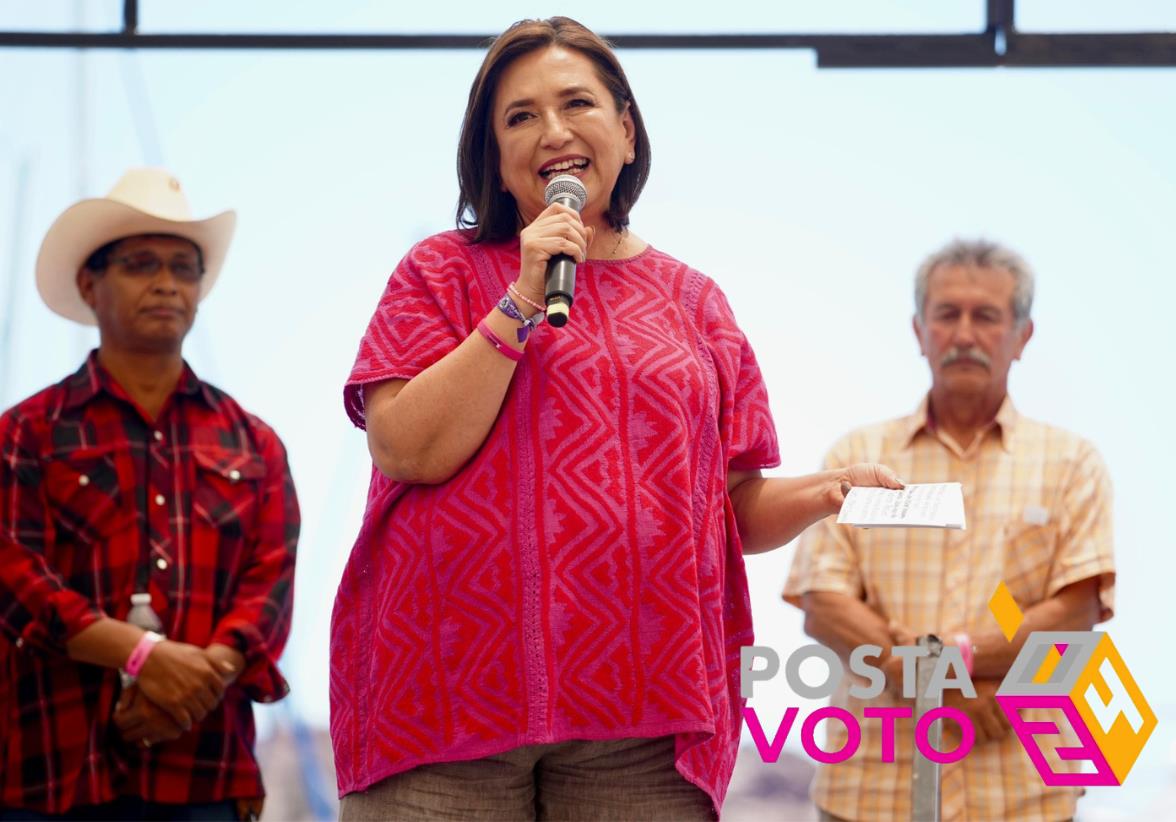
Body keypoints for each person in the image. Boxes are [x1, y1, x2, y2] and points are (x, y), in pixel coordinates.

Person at [331, 17, 901, 821]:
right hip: (445, 702)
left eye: (577, 104)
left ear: (626, 131)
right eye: (520, 117)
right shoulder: (437, 272)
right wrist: (522, 296)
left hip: (644, 717)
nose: (554, 132)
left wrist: (826, 492)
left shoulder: (696, 302)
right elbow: (404, 448)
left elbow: (729, 508)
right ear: (493, 157)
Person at [0, 168, 299, 821]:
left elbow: (268, 593)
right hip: (55, 768)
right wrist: (143, 656)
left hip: (207, 772)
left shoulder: (257, 445)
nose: (167, 283)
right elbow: (14, 578)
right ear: (90, 283)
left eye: (184, 268)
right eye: (140, 265)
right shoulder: (27, 432)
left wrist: (192, 681)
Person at [785, 238, 1114, 821]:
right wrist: (951, 687)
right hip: (870, 787)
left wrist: (945, 665)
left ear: (1023, 335)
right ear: (919, 331)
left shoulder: (1071, 464)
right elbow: (825, 603)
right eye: (947, 314)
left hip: (1021, 787)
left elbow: (1074, 611)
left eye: (986, 316)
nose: (964, 334)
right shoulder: (859, 455)